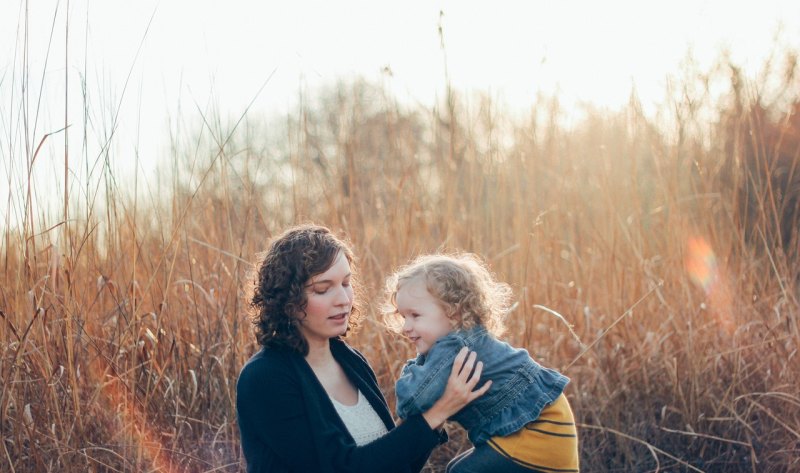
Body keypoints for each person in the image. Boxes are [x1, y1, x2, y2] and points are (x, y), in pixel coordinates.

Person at [236, 224, 491, 473]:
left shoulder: (351, 360)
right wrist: (438, 411)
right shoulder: (265, 377)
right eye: (323, 289)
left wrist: (436, 404)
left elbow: (398, 464)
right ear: (287, 299)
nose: (344, 300)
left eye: (346, 283)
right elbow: (340, 467)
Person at [384, 253, 579, 473]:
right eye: (403, 317)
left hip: (537, 434)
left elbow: (410, 402)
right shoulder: (469, 338)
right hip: (550, 423)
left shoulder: (453, 348)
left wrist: (414, 366)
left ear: (453, 313)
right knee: (454, 467)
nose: (405, 327)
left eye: (415, 315)